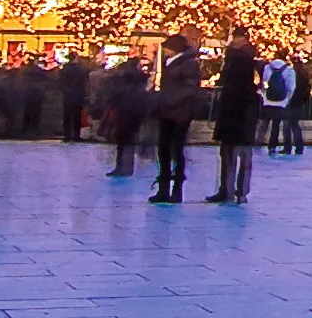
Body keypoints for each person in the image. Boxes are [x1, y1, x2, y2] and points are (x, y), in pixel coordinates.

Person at [207, 27, 260, 204]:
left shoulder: (237, 59)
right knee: (240, 154)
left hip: (235, 112)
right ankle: (238, 191)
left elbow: (232, 87)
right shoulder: (251, 60)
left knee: (231, 153)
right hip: (245, 114)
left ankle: (229, 191)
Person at [150, 34, 201, 203]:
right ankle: (163, 188)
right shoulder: (170, 63)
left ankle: (176, 190)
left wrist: (168, 100)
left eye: (166, 48)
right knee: (163, 149)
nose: (164, 51)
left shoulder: (188, 64)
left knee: (176, 150)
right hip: (166, 112)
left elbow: (190, 89)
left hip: (179, 114)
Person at [104, 53, 150, 178]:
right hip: (136, 112)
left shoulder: (121, 81)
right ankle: (127, 167)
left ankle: (120, 167)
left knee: (122, 141)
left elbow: (114, 95)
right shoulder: (141, 81)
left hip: (123, 111)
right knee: (130, 141)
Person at [259, 50, 297, 156]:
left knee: (266, 122)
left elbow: (264, 82)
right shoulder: (289, 70)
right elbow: (291, 87)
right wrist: (287, 98)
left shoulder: (267, 68)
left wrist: (266, 92)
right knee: (280, 124)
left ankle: (266, 144)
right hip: (282, 101)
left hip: (268, 100)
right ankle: (284, 146)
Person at [58, 53, 92, 143]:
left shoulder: (64, 69)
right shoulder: (80, 70)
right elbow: (83, 83)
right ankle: (76, 135)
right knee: (77, 116)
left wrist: (64, 92)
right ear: (75, 59)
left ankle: (67, 136)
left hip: (67, 96)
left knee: (67, 116)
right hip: (78, 96)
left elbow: (60, 82)